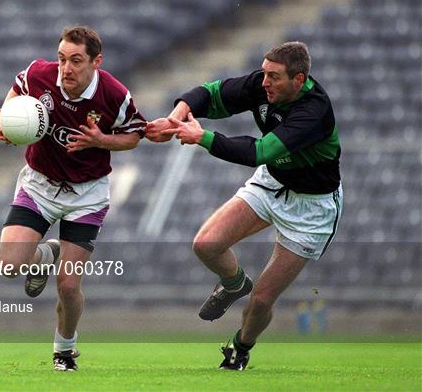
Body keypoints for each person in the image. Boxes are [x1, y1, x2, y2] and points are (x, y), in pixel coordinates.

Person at [146, 42, 342, 370]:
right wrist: (177, 114)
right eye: (264, 74)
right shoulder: (263, 85)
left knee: (261, 301)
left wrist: (201, 137)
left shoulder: (314, 112)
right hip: (273, 183)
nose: (264, 83)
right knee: (206, 244)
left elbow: (259, 152)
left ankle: (241, 347)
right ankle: (235, 281)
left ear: (299, 79)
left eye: (274, 77)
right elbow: (209, 94)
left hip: (311, 208)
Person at [0, 26, 146, 372]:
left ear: (96, 62)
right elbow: (17, 89)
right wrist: (3, 117)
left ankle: (64, 350)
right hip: (39, 186)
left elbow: (136, 134)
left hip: (86, 197)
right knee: (8, 266)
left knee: (68, 284)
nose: (66, 68)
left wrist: (100, 141)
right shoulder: (39, 74)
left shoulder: (114, 95)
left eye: (76, 61)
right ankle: (47, 254)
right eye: (62, 59)